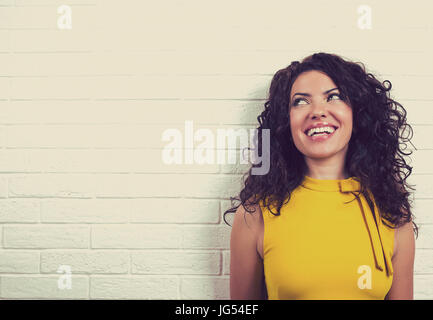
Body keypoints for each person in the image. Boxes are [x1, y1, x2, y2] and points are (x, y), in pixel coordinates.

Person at [224, 52, 417, 300]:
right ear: (286, 123)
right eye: (301, 102)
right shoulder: (256, 213)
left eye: (333, 97)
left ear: (357, 115)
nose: (317, 111)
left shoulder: (393, 212)